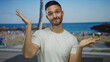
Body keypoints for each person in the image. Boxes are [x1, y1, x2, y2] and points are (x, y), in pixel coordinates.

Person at [16, 1, 100, 62]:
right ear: (47, 17)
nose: (55, 16)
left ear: (62, 13)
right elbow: (27, 55)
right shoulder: (40, 34)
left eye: (57, 12)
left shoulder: (72, 39)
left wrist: (80, 48)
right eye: (50, 13)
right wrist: (28, 25)